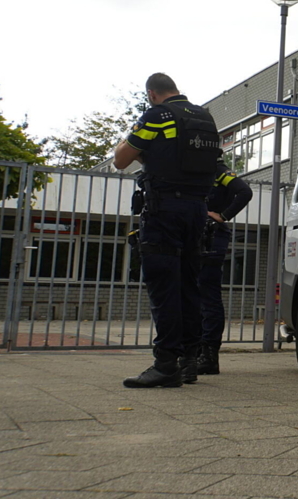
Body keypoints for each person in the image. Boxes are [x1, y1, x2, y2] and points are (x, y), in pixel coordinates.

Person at [114, 73, 222, 388]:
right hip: (197, 211)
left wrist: (131, 143)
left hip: (164, 211)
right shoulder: (204, 118)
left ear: (152, 94)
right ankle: (189, 360)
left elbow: (121, 160)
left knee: (164, 286)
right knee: (189, 286)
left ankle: (165, 364)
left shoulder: (157, 115)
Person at [197, 161, 253, 375]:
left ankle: (208, 355)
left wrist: (223, 215)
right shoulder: (198, 169)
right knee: (195, 296)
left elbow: (245, 192)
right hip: (197, 234)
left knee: (207, 296)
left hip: (211, 235)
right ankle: (197, 353)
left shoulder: (217, 170)